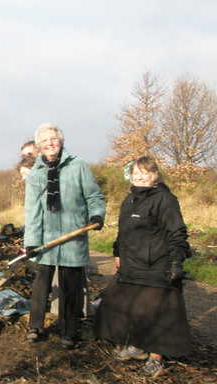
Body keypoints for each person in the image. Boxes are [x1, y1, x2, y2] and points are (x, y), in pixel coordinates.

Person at [94, 156, 191, 377]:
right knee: (127, 305)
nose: (140, 176)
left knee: (157, 311)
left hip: (156, 265)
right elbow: (123, 232)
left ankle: (156, 358)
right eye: (136, 173)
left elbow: (177, 232)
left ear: (155, 174)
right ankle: (137, 346)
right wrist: (117, 253)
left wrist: (176, 262)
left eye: (145, 173)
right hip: (131, 263)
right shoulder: (129, 199)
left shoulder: (165, 199)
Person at [24, 123, 105, 348]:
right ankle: (35, 327)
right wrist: (31, 242)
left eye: (54, 139)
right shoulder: (35, 174)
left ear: (61, 141)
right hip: (46, 240)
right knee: (41, 286)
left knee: (72, 288)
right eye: (45, 140)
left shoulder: (78, 166)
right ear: (39, 146)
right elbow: (32, 210)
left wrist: (97, 215)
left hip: (73, 236)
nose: (50, 143)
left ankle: (69, 331)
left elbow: (94, 196)